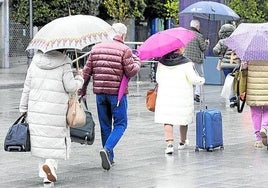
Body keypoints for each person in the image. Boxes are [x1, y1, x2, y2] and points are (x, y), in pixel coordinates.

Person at [79, 23, 141, 170]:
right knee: (121, 124)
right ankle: (107, 149)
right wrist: (137, 61)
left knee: (105, 125)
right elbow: (131, 71)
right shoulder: (125, 50)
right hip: (117, 95)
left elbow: (86, 72)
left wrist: (82, 90)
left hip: (100, 93)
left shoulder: (96, 48)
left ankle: (110, 158)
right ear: (124, 35)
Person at [19, 50, 84, 184]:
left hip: (36, 108)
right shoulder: (64, 62)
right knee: (55, 140)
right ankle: (50, 164)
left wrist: (23, 108)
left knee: (41, 141)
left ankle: (45, 175)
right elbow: (71, 87)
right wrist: (79, 78)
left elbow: (27, 86)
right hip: (57, 109)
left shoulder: (35, 62)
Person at [154, 47, 205, 154]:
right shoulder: (186, 63)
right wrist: (201, 80)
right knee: (183, 119)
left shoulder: (161, 62)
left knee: (167, 119)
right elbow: (193, 79)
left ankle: (169, 144)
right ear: (178, 49)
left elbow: (158, 78)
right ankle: (182, 142)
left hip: (166, 95)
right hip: (182, 94)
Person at [213, 23, 241, 108]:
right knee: (236, 81)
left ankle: (232, 100)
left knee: (228, 82)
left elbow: (215, 50)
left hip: (225, 65)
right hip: (236, 65)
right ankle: (237, 96)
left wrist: (221, 52)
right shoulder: (237, 41)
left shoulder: (222, 42)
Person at [183, 19, 209, 103]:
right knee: (200, 76)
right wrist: (207, 43)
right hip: (196, 59)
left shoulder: (186, 34)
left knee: (187, 76)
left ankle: (187, 93)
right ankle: (197, 94)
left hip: (186, 59)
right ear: (197, 26)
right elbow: (203, 48)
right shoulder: (198, 35)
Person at [245, 60, 268, 148]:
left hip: (253, 87)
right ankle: (264, 127)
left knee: (255, 113)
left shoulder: (250, 53)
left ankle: (258, 139)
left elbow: (243, 68)